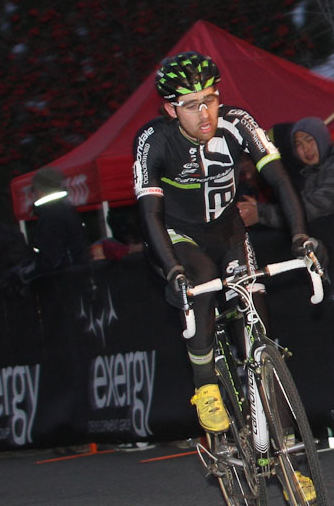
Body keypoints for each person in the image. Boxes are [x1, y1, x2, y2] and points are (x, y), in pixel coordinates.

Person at [132, 51, 321, 433]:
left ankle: (285, 455)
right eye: (190, 105)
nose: (204, 114)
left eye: (210, 99)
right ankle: (205, 386)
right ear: (170, 110)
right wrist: (172, 271)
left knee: (258, 334)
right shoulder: (154, 141)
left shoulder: (238, 122)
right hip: (177, 235)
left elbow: (281, 181)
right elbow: (149, 213)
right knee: (200, 278)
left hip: (229, 231)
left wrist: (300, 234)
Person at [239, 116, 334, 228]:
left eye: (309, 141)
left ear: (322, 139)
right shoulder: (309, 173)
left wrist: (261, 214)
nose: (306, 149)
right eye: (299, 145)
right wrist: (259, 209)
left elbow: (314, 209)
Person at [28, 167, 90, 273]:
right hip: (76, 276)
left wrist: (33, 271)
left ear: (39, 190)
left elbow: (52, 258)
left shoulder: (50, 215)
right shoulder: (66, 209)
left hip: (64, 280)